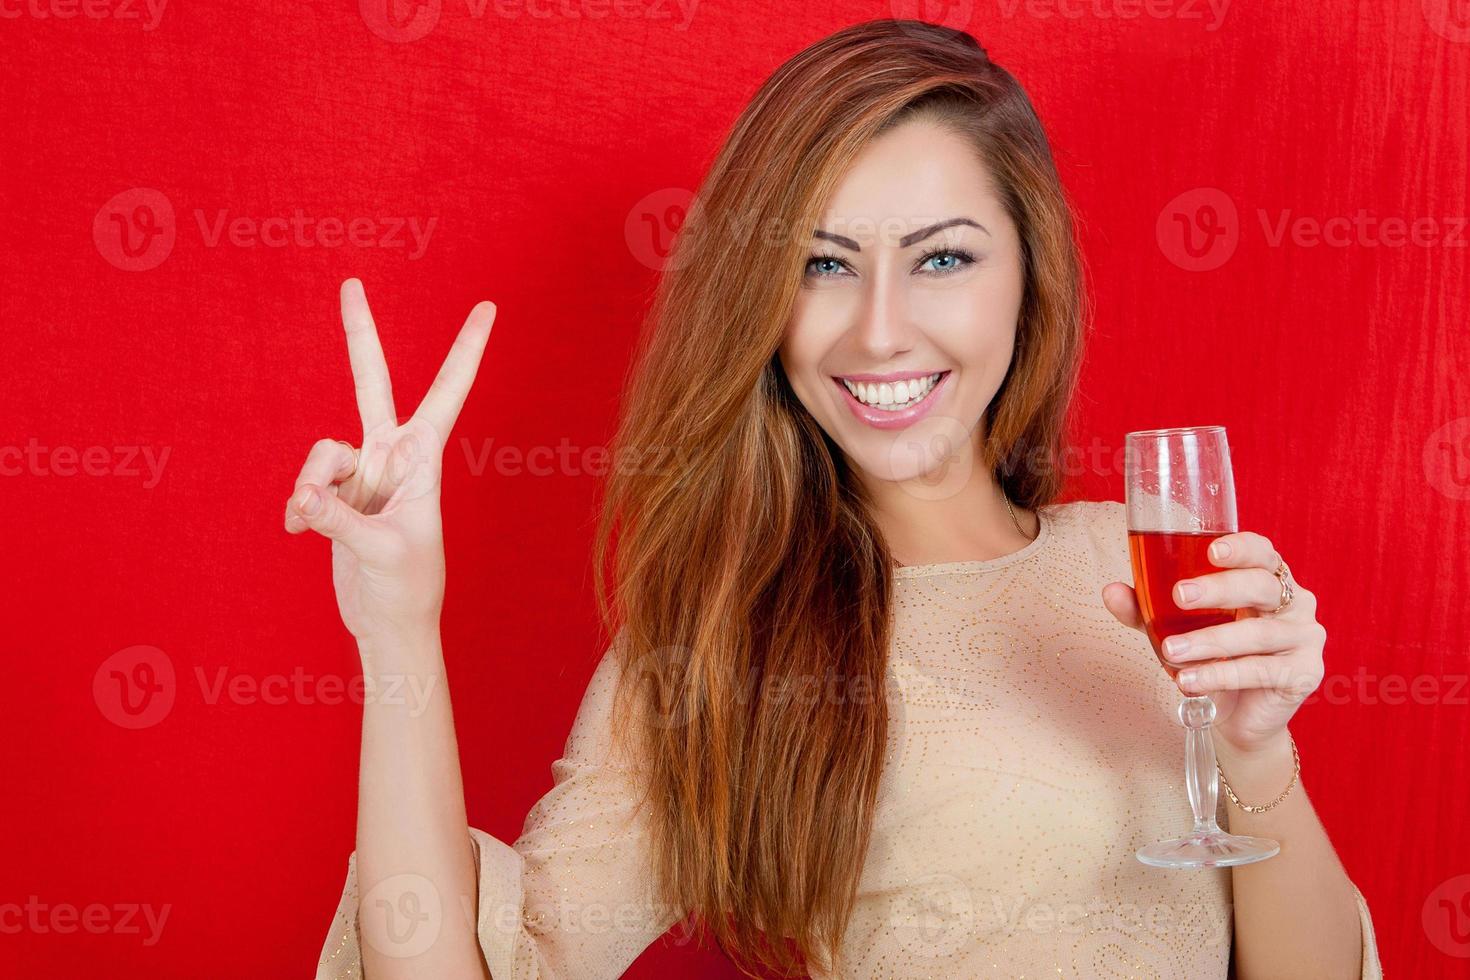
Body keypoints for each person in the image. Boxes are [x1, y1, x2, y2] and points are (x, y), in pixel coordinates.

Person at [291, 19, 1382, 979]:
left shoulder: (1154, 563)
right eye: (822, 266)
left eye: (943, 257)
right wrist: (397, 624)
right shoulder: (727, 638)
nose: (878, 329)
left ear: (1030, 273)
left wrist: (1252, 745)